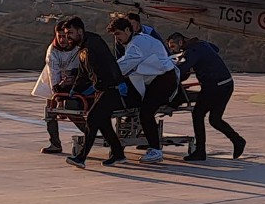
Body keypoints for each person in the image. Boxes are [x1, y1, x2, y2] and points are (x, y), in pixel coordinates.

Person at [63, 16, 131, 169]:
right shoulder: (82, 50)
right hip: (101, 90)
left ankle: (81, 157)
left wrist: (119, 82)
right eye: (67, 34)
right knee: (104, 123)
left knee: (92, 119)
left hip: (111, 89)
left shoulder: (94, 43)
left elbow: (110, 62)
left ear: (80, 31)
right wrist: (76, 89)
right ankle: (118, 154)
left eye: (70, 33)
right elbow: (82, 74)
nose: (68, 37)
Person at [167, 32, 246, 161]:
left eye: (173, 46)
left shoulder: (191, 51)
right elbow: (215, 48)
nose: (172, 50)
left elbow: (180, 72)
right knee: (215, 119)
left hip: (214, 87)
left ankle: (200, 151)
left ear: (181, 43)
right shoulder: (202, 44)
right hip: (226, 84)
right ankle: (237, 140)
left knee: (198, 114)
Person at [108, 18, 178, 164]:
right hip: (159, 78)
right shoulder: (139, 41)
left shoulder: (137, 44)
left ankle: (155, 150)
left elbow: (129, 62)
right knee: (144, 111)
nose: (117, 38)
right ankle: (151, 145)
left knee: (146, 112)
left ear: (128, 31)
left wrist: (108, 72)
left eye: (118, 34)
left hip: (163, 80)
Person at [31, 20, 82, 154]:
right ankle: (55, 143)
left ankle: (90, 133)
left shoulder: (78, 48)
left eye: (64, 36)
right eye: (59, 36)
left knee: (73, 111)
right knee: (50, 111)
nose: (62, 40)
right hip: (53, 81)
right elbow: (53, 73)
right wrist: (57, 96)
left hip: (73, 81)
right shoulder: (52, 49)